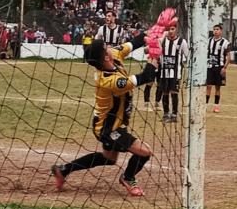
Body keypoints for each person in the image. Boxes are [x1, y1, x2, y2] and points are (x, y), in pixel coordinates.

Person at [51, 32, 158, 197]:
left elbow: (134, 42)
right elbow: (146, 77)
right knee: (145, 151)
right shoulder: (109, 81)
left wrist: (154, 32)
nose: (110, 47)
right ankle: (128, 178)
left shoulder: (112, 55)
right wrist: (154, 55)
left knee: (109, 158)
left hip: (107, 124)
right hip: (108, 129)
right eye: (106, 47)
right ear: (105, 57)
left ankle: (63, 170)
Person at [159, 23, 189, 122]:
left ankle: (174, 115)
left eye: (172, 29)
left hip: (176, 73)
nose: (170, 31)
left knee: (174, 93)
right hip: (164, 73)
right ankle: (166, 114)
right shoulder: (162, 40)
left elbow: (188, 55)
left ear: (176, 30)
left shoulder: (182, 42)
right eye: (168, 29)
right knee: (165, 93)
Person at [206, 23, 230, 113]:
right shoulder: (208, 41)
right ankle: (205, 105)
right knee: (208, 86)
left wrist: (224, 67)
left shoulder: (225, 42)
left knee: (217, 87)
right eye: (214, 29)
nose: (215, 31)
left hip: (219, 67)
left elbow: (228, 56)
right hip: (210, 66)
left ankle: (216, 106)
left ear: (221, 31)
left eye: (217, 29)